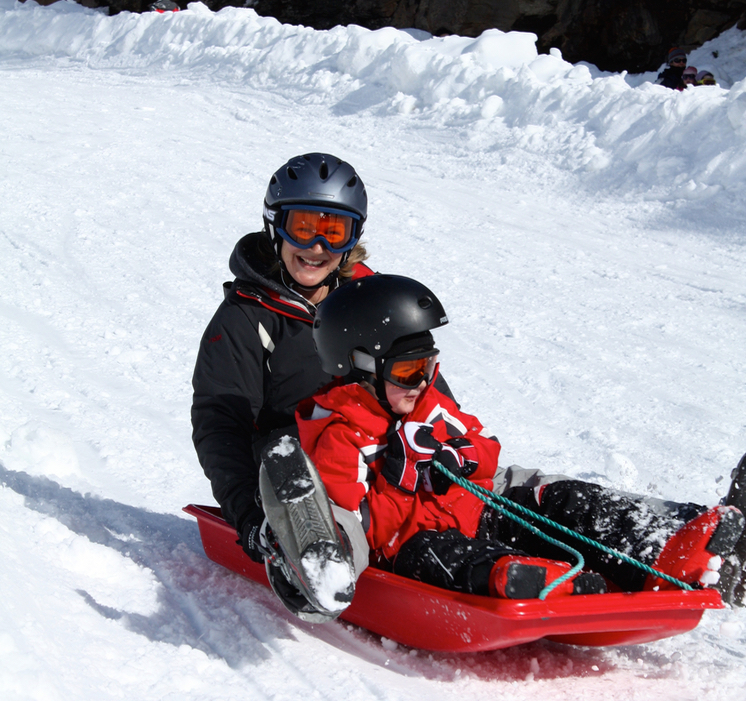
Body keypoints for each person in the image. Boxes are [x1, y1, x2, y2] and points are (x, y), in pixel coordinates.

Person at [261, 274, 746, 616]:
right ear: (359, 366)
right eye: (408, 371)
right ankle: (537, 583)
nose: (422, 382)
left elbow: (486, 448)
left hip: (479, 512)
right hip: (414, 545)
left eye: (428, 366)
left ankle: (658, 555)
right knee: (444, 557)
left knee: (560, 501)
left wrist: (458, 455)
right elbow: (355, 524)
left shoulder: (427, 403)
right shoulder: (339, 432)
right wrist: (393, 474)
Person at [191, 154, 455, 619]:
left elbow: (424, 387)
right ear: (275, 226)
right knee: (322, 497)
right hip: (303, 479)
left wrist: (447, 448)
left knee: (479, 481)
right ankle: (308, 555)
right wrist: (250, 521)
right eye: (303, 227)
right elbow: (221, 425)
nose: (315, 246)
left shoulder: (372, 302)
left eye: (333, 232)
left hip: (378, 463)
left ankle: (594, 522)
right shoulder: (244, 319)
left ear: (353, 237)